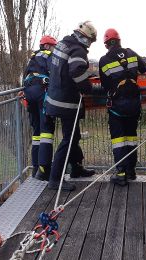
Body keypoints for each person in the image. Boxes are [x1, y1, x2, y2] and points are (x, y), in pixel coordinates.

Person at [44, 21, 97, 191]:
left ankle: (76, 168)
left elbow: (60, 68)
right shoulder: (78, 50)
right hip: (66, 102)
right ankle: (55, 178)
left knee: (74, 136)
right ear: (86, 38)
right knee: (69, 139)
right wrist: (88, 88)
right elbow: (75, 71)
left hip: (54, 98)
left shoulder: (63, 43)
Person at [98, 28, 146, 186]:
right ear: (119, 41)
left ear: (106, 44)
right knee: (131, 138)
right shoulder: (131, 53)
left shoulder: (104, 60)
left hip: (117, 107)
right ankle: (131, 171)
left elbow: (105, 85)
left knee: (119, 140)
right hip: (134, 104)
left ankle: (121, 173)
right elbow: (145, 67)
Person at [22, 35, 57, 178]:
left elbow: (24, 75)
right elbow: (54, 74)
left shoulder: (33, 57)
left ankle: (36, 168)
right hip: (42, 92)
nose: (54, 49)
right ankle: (44, 169)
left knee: (36, 132)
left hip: (29, 92)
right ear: (48, 46)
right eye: (53, 46)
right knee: (46, 131)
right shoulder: (48, 55)